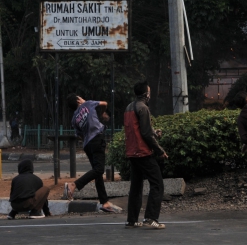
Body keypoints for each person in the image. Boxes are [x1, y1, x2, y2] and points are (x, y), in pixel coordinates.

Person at [63, 93, 121, 213]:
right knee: (99, 170)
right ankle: (74, 185)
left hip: (87, 144)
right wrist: (102, 113)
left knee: (97, 173)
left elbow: (79, 135)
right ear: (78, 100)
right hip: (97, 139)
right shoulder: (88, 104)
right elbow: (104, 103)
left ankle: (104, 202)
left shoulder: (74, 119)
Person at [123, 81, 168, 229]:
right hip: (142, 152)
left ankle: (132, 220)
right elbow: (146, 134)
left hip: (131, 152)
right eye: (149, 92)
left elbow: (141, 130)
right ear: (146, 94)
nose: (150, 94)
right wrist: (160, 150)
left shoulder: (129, 107)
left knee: (136, 186)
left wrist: (155, 133)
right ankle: (151, 217)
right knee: (157, 184)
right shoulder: (143, 108)